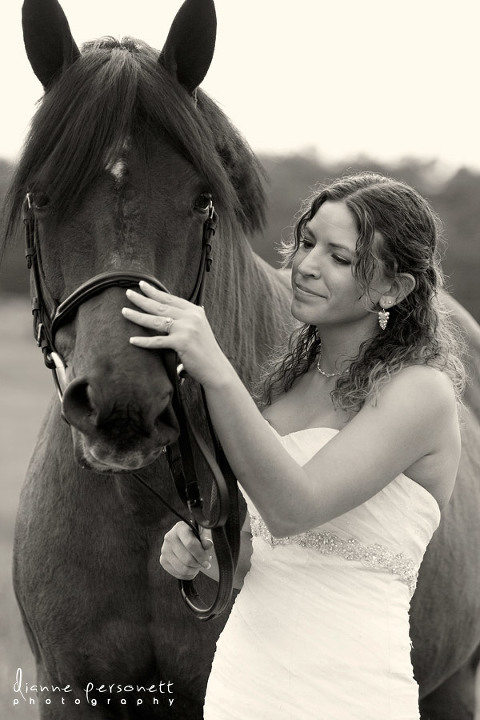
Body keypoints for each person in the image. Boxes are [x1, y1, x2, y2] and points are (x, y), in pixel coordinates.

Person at [121, 171, 464, 719]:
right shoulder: (284, 389)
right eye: (307, 242)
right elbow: (262, 549)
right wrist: (204, 555)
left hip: (351, 692)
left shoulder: (421, 392)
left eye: (340, 257)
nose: (305, 265)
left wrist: (217, 372)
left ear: (392, 290)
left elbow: (293, 507)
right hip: (245, 684)